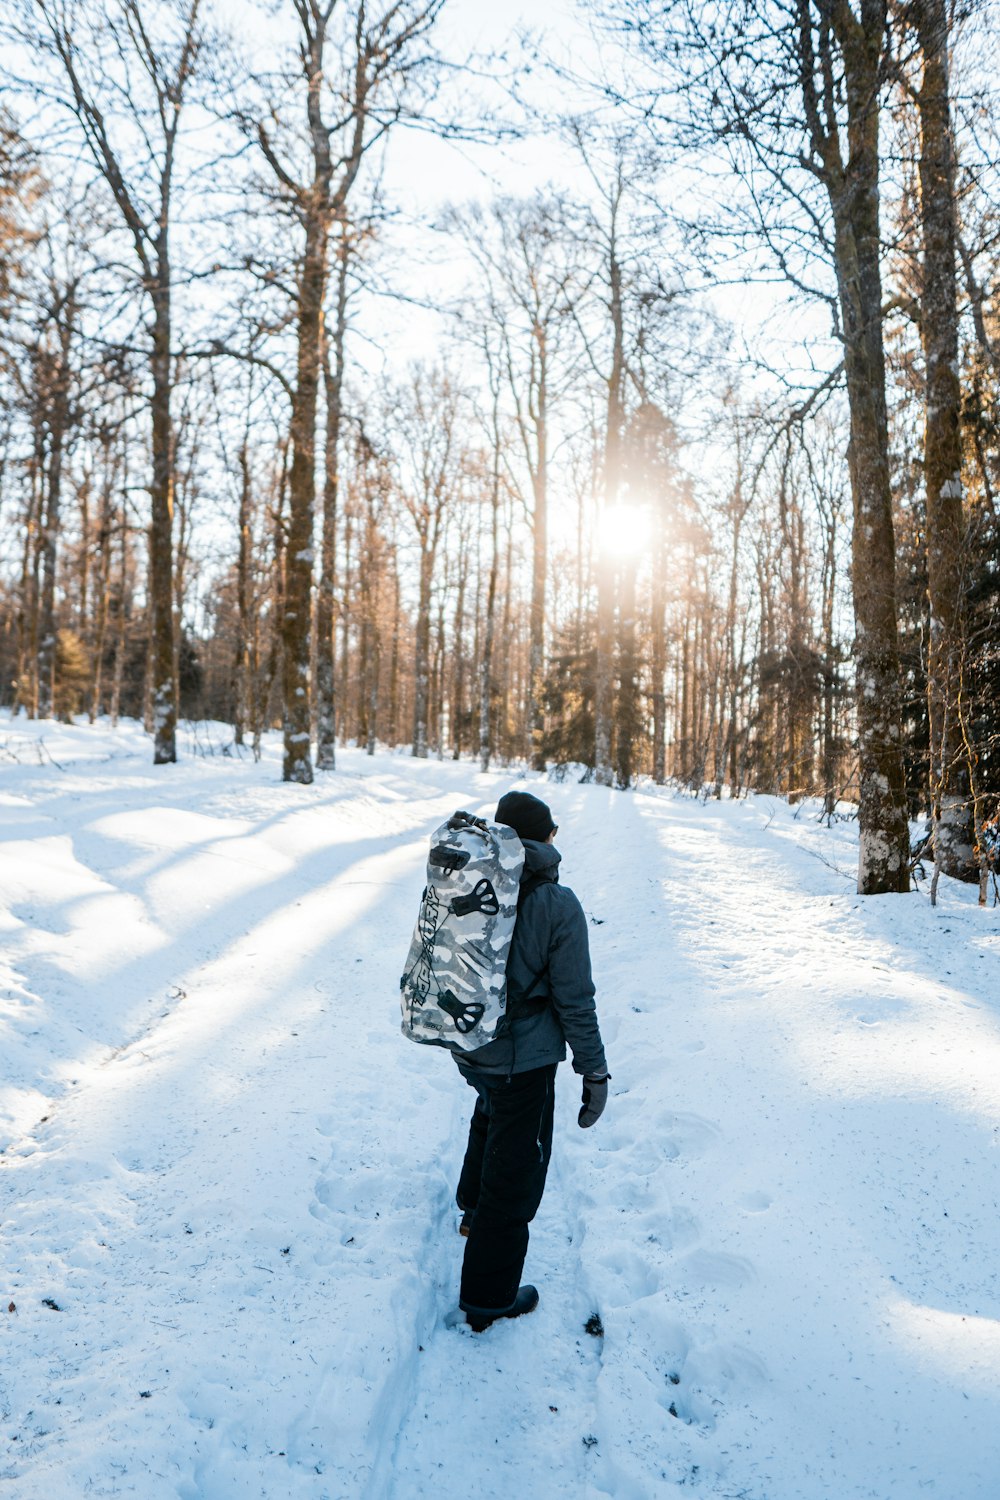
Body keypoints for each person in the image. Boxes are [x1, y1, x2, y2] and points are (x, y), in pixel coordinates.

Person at [454, 789, 610, 1333]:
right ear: (541, 838)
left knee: (489, 1108)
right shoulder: (555, 904)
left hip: (470, 1044)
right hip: (523, 1058)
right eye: (551, 830)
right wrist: (594, 1070)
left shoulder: (470, 878)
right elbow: (575, 999)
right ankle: (487, 1299)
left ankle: (471, 1213)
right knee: (516, 1174)